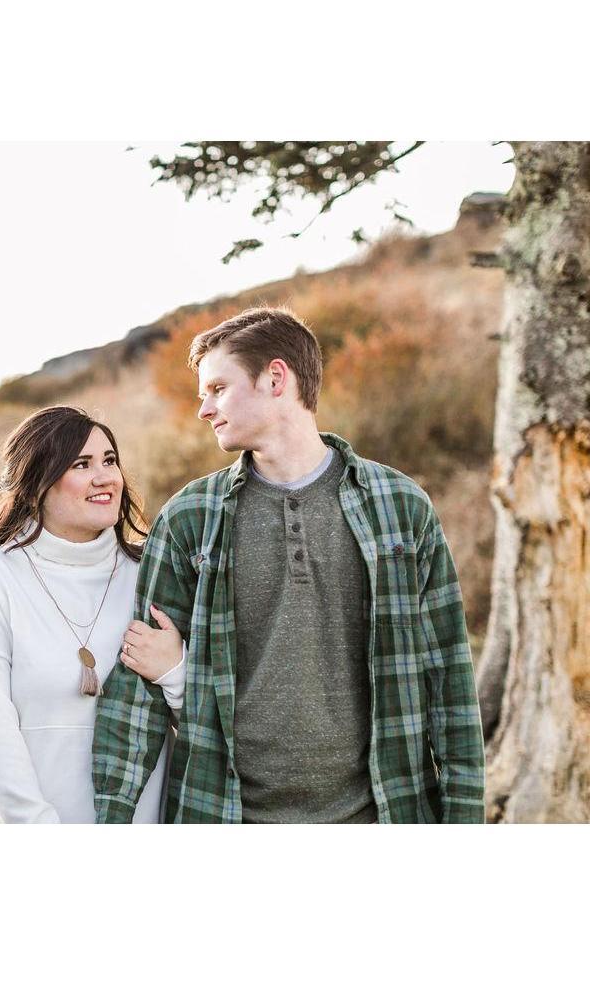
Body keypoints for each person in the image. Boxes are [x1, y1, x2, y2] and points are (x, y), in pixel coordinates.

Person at [92, 306, 486, 824]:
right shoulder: (191, 518)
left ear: (276, 378)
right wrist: (109, 823)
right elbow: (135, 696)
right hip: (228, 816)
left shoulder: (400, 507)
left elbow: (450, 685)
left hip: (381, 817)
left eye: (217, 389)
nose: (204, 410)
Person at [0, 405, 185, 823]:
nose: (105, 476)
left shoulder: (151, 578)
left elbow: (206, 729)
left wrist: (175, 672)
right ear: (36, 486)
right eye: (81, 464)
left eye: (110, 461)